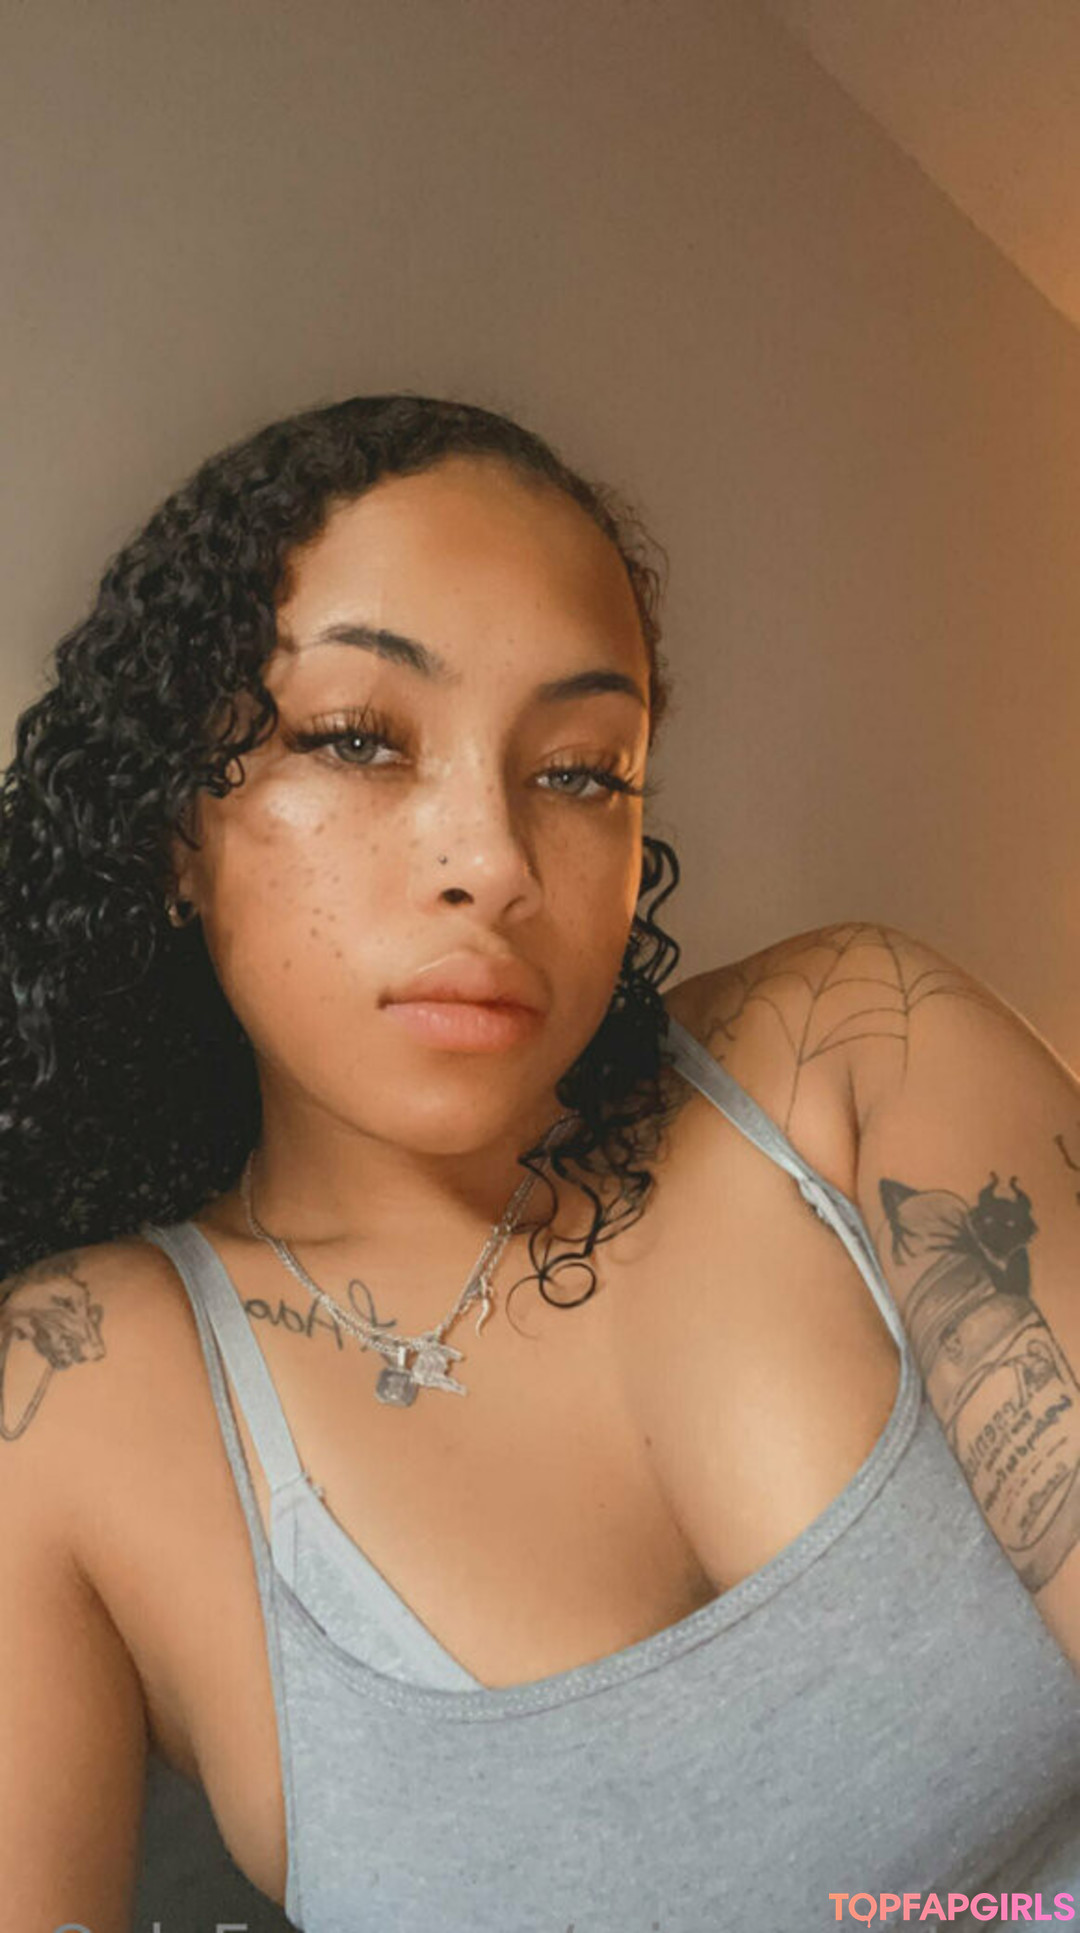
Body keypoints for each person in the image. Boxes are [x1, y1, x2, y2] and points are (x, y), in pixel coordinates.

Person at [1, 393, 1077, 1933]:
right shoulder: (71, 1398)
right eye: (360, 739)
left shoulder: (853, 1050)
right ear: (178, 821)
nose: (495, 862)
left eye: (579, 768)